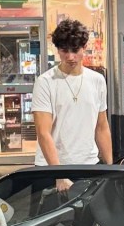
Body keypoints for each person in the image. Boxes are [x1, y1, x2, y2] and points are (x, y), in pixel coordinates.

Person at [32, 19, 112, 190]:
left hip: (88, 165)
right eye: (64, 50)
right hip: (51, 169)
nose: (70, 57)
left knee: (92, 217)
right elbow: (43, 133)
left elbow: (102, 126)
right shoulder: (45, 82)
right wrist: (60, 175)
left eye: (75, 50)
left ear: (84, 47)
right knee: (50, 217)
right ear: (58, 50)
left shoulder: (97, 81)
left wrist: (111, 169)